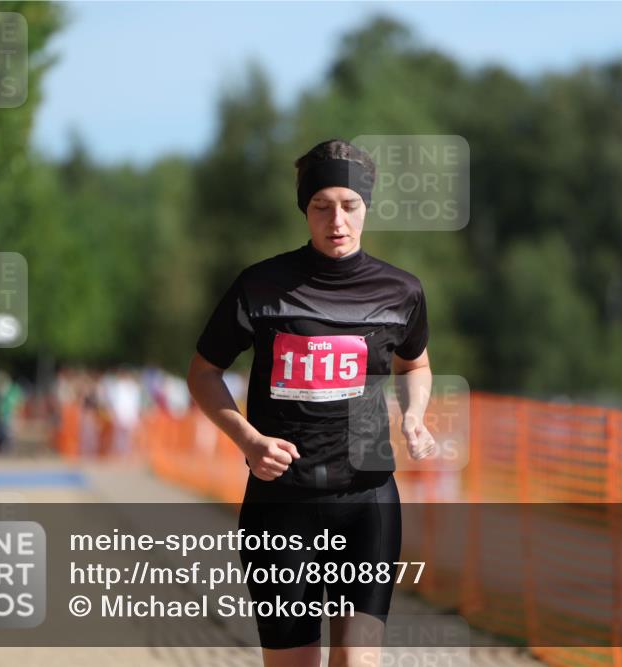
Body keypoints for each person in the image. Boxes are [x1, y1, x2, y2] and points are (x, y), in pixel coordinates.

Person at [187, 138, 435, 667]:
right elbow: (204, 373)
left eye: (350, 205)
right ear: (305, 209)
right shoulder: (261, 286)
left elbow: (416, 365)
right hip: (281, 506)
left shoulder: (401, 291)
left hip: (367, 501)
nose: (336, 220)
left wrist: (414, 414)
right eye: (322, 206)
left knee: (358, 661)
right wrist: (247, 440)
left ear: (367, 206)